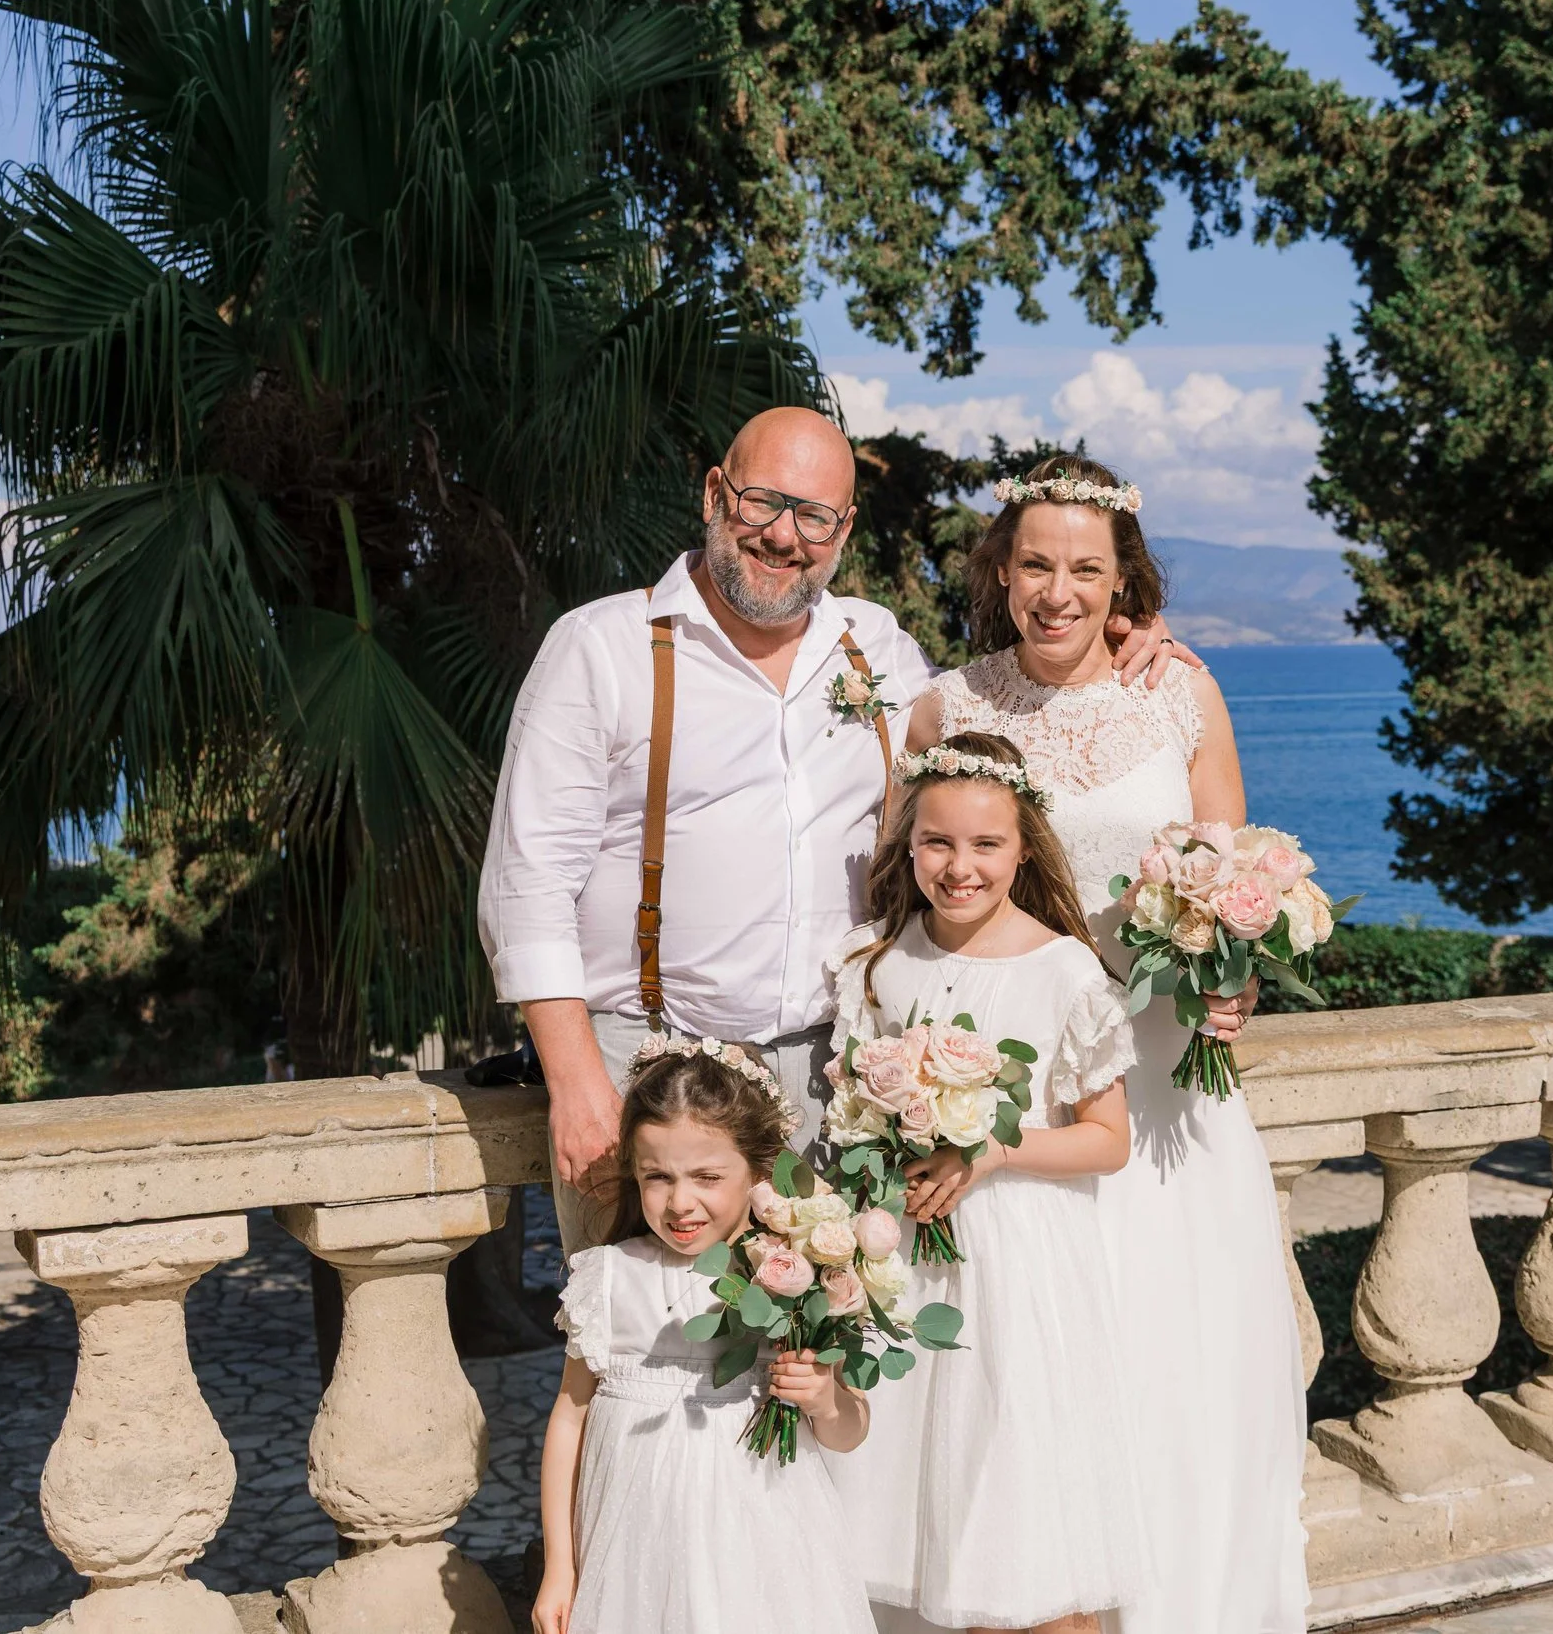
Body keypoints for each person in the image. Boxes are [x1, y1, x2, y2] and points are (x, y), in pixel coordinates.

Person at [477, 407, 1196, 1258]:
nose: (785, 536)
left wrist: (1124, 641)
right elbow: (525, 883)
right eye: (762, 503)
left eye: (814, 515)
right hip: (648, 1063)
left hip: (832, 1071)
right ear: (715, 494)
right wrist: (575, 1079)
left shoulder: (877, 650)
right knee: (645, 1347)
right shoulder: (603, 648)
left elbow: (1002, 726)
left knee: (811, 1357)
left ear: (844, 529)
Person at [903, 456, 1309, 1634]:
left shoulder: (1181, 693)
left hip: (1168, 1077)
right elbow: (910, 891)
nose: (1058, 589)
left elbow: (1235, 882)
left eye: (1087, 566)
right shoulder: (944, 708)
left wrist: (1232, 989)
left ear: (1124, 578)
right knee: (1035, 1371)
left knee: (1173, 1360)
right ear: (999, 568)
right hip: (1024, 1090)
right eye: (1035, 561)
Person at [824, 733, 1145, 1634]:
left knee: (1024, 1515)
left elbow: (1107, 1140)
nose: (959, 866)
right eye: (938, 843)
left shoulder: (1065, 970)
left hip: (1022, 1272)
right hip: (915, 1271)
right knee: (930, 1507)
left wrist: (993, 1152)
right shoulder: (881, 968)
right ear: (908, 846)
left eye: (985, 845)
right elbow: (860, 1118)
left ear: (1023, 849)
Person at [535, 1040, 874, 1634]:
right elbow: (570, 1417)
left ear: (760, 1172)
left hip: (759, 1546)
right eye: (656, 1177)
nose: (680, 1202)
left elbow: (848, 1432)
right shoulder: (609, 1276)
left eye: (707, 1177)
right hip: (633, 1547)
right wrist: (559, 1568)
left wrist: (823, 1398)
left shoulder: (797, 1276)